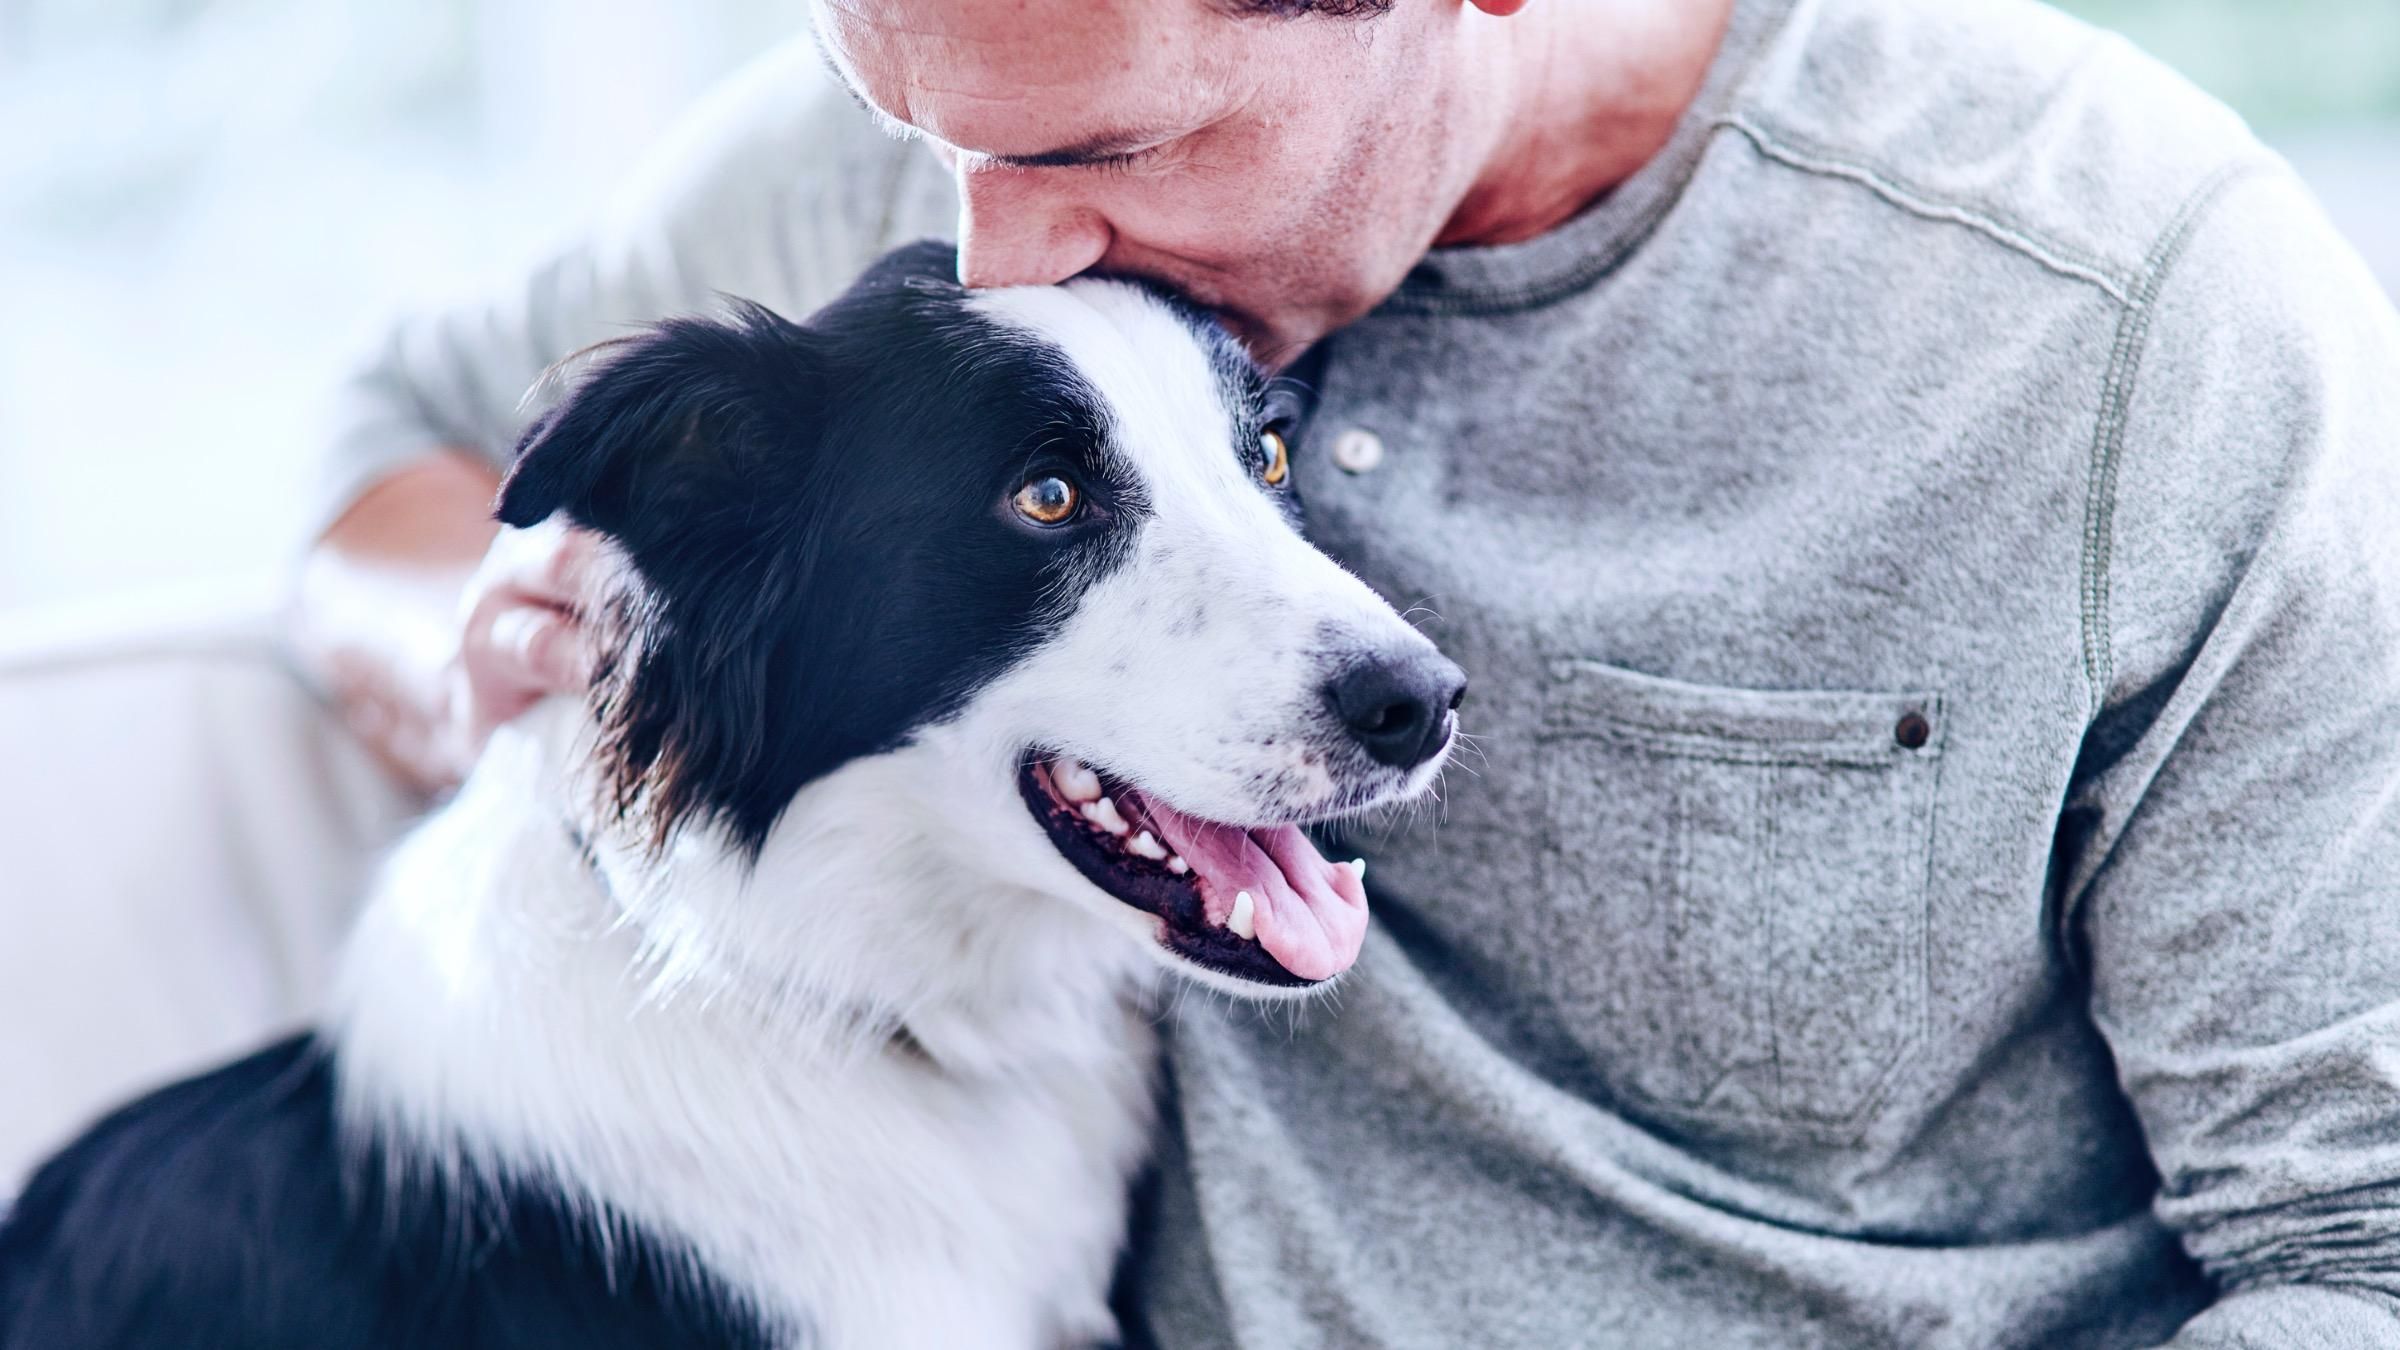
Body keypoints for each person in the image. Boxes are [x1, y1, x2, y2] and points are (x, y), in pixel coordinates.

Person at [58, 0, 2400, 1343]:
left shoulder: (2125, 317)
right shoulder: (994, 83)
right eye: (925, 141)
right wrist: (475, 653)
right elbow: (403, 443)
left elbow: (2356, 1240)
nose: (991, 245)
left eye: (1103, 151)